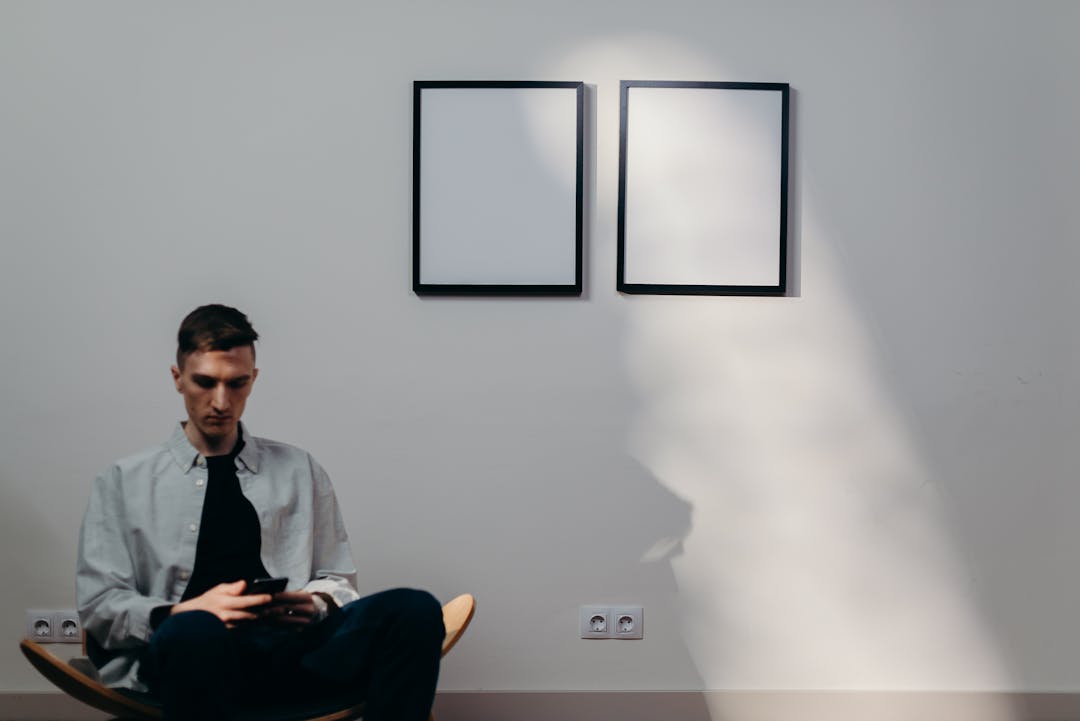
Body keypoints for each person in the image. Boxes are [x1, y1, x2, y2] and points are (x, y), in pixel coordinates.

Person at [76, 304, 444, 721]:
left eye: (237, 384)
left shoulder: (299, 468)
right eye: (205, 382)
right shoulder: (124, 480)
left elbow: (338, 578)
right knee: (195, 630)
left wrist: (317, 602)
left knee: (416, 609)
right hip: (192, 655)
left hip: (292, 651)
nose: (221, 401)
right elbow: (100, 605)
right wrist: (182, 612)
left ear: (254, 380)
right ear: (178, 379)